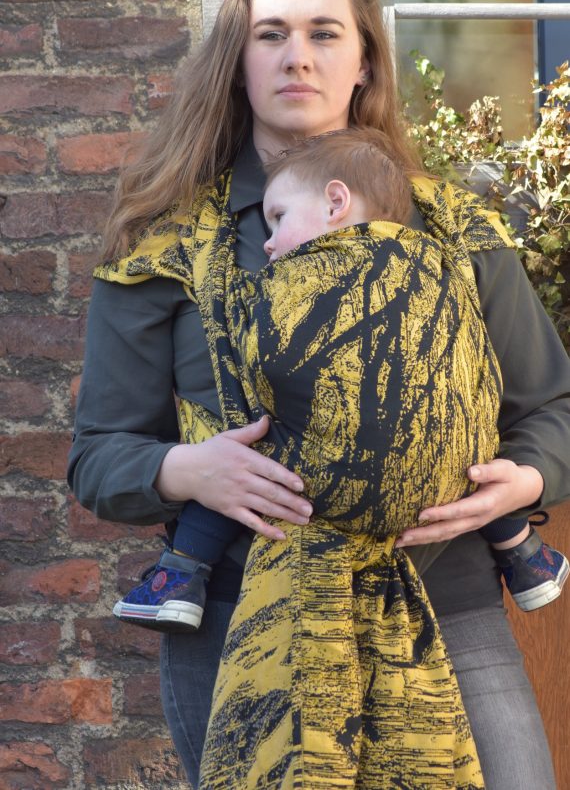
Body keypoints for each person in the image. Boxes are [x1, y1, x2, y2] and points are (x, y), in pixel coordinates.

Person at [67, 0, 570, 789]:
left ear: (365, 61)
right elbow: (99, 454)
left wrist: (524, 481)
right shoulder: (165, 245)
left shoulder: (454, 227)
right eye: (270, 34)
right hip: (243, 621)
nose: (297, 56)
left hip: (448, 607)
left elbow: (552, 406)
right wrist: (189, 469)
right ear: (238, 64)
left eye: (324, 33)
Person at [111, 127, 569, 634]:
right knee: (470, 452)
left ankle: (181, 573)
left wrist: (530, 478)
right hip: (435, 466)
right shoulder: (438, 258)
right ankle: (524, 554)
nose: (268, 242)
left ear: (335, 203)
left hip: (337, 511)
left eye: (279, 218)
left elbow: (266, 361)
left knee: (254, 453)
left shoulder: (295, 278)